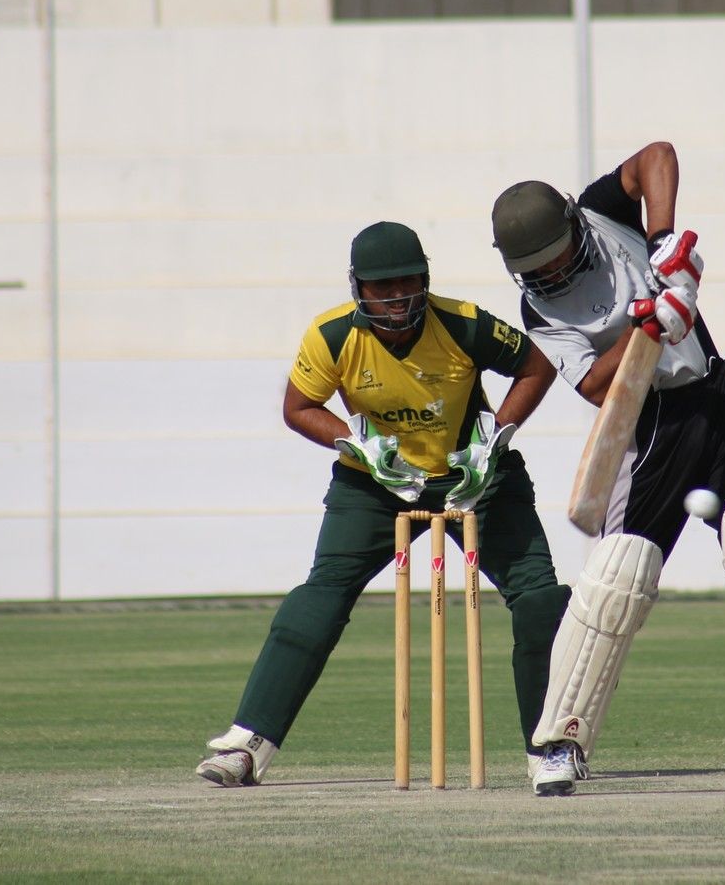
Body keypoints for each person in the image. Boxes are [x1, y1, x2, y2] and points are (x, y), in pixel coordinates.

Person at [489, 141, 725, 797]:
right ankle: (560, 741)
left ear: (574, 225)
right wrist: (648, 324)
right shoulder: (539, 311)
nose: (552, 274)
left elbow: (656, 156)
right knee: (618, 576)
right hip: (648, 425)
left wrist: (662, 242)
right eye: (537, 269)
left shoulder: (602, 211)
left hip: (718, 397)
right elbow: (595, 387)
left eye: (557, 256)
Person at [196, 220, 571, 787]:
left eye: (407, 282)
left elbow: (536, 365)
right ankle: (248, 743)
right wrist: (355, 443)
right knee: (321, 594)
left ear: (425, 280)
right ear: (359, 288)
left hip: (472, 474)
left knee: (540, 597)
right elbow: (299, 407)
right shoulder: (331, 336)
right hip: (375, 483)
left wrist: (494, 437)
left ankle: (551, 748)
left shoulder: (462, 322)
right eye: (382, 286)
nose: (397, 297)